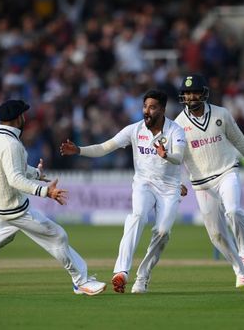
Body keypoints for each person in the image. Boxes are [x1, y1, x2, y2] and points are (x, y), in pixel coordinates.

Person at [0, 99, 106, 296]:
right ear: (17, 118)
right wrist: (46, 191)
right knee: (57, 235)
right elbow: (15, 178)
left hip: (3, 204)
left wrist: (36, 174)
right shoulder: (11, 145)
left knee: (3, 237)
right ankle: (81, 281)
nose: (25, 118)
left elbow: (4, 168)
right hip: (14, 208)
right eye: (23, 115)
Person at [60, 89, 186, 294]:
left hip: (170, 188)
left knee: (162, 232)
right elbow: (104, 147)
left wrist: (167, 155)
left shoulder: (175, 131)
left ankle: (143, 276)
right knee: (137, 216)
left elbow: (179, 157)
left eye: (153, 107)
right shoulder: (134, 130)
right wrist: (79, 150)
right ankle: (121, 272)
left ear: (162, 110)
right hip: (143, 184)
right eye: (145, 106)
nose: (147, 111)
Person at [174, 74, 244, 288]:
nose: (191, 96)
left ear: (203, 93)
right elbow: (175, 156)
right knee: (216, 234)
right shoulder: (177, 124)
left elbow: (238, 138)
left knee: (233, 211)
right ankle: (238, 269)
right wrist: (177, 180)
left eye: (195, 92)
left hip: (226, 171)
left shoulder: (221, 114)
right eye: (187, 93)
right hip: (201, 183)